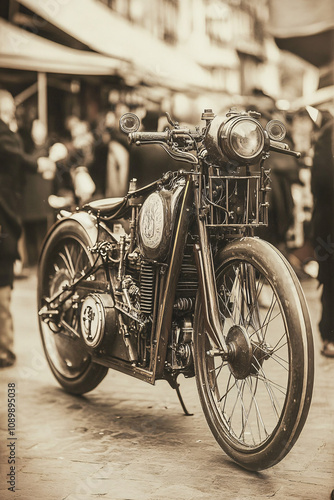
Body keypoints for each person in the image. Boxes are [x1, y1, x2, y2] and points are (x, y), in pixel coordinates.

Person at [0, 90, 55, 368]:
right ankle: (5, 350)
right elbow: (15, 157)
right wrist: (39, 163)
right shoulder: (5, 134)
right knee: (2, 283)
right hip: (3, 220)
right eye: (9, 109)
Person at [311, 108, 334, 357]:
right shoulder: (330, 134)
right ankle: (329, 335)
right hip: (329, 223)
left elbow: (320, 182)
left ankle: (329, 336)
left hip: (328, 223)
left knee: (330, 280)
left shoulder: (327, 134)